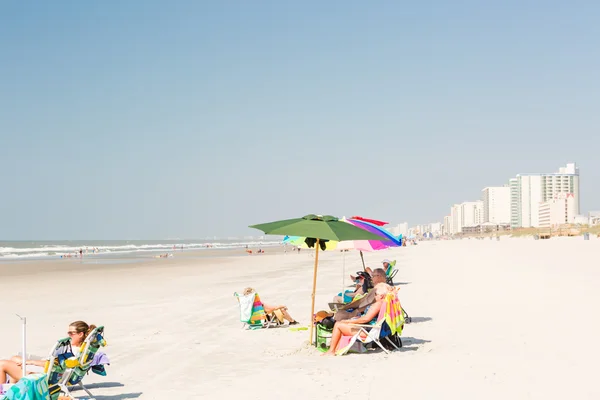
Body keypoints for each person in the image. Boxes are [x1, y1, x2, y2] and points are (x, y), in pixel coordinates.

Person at [0, 321, 98, 384]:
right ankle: (11, 388)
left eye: (71, 333)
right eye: (68, 332)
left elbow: (53, 364)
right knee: (14, 359)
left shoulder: (74, 352)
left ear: (80, 334)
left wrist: (30, 362)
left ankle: (2, 392)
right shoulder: (81, 349)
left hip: (49, 379)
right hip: (55, 373)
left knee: (2, 364)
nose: (68, 335)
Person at [323, 283, 392, 356]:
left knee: (338, 325)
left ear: (381, 296)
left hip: (368, 332)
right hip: (372, 330)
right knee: (342, 323)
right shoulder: (386, 303)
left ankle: (331, 351)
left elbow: (366, 319)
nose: (374, 295)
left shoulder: (378, 304)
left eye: (375, 293)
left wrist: (349, 322)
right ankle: (336, 348)